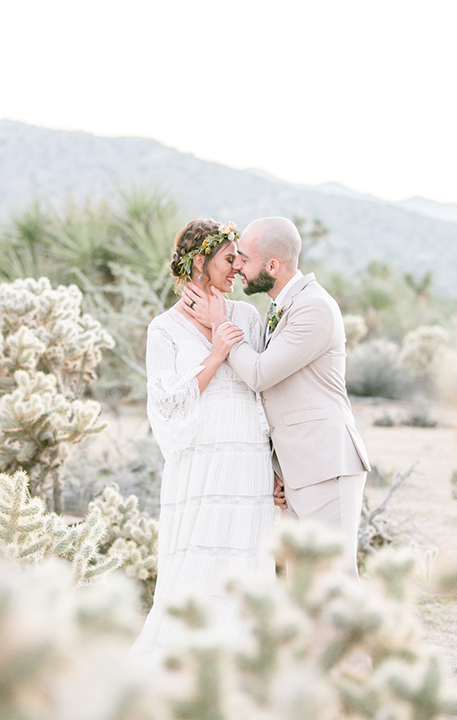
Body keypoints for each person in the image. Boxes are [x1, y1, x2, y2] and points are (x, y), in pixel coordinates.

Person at [182, 216, 370, 578]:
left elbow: (259, 374)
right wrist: (279, 468)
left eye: (244, 259)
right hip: (300, 468)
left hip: (327, 465)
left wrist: (219, 323)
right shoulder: (279, 306)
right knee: (305, 587)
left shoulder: (313, 307)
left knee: (336, 585)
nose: (237, 266)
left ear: (272, 265)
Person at [131, 218, 275, 659]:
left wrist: (277, 467)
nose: (238, 270)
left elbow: (263, 388)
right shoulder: (164, 328)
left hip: (248, 456)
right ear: (200, 262)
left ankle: (242, 668)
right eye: (230, 260)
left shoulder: (248, 316)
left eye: (240, 261)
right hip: (198, 461)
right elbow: (168, 405)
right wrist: (215, 351)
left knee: (245, 554)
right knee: (195, 556)